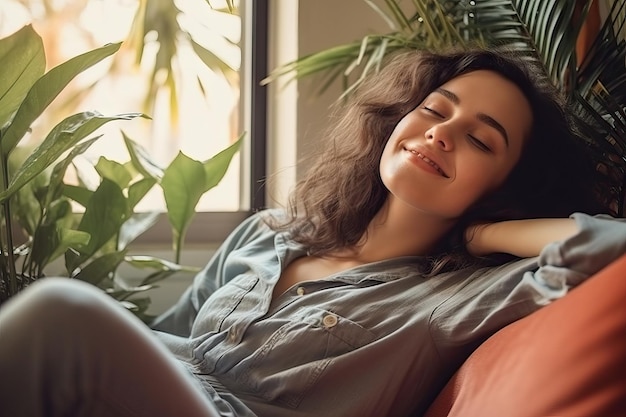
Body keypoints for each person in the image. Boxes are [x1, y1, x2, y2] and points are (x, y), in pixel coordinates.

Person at [1, 47, 625, 417]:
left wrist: (486, 235)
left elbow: (606, 246)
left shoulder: (446, 302)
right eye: (435, 110)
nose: (441, 133)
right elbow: (166, 338)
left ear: (502, 186)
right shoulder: (271, 234)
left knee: (63, 312)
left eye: (480, 139)